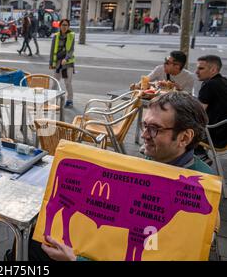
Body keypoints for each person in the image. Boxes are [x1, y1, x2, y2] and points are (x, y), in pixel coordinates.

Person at [37, 91, 215, 260]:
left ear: (184, 138)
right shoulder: (152, 160)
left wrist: (76, 260)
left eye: (154, 129)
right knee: (35, 236)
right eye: (145, 125)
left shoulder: (201, 191)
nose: (144, 135)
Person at [195, 55, 227, 151]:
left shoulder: (209, 85)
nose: (196, 72)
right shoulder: (223, 81)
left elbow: (197, 113)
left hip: (215, 138)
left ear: (213, 70)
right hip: (224, 135)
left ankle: (199, 156)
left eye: (201, 68)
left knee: (178, 128)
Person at [49, 19, 75, 107]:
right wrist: (51, 63)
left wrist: (66, 58)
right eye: (63, 25)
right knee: (55, 82)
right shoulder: (55, 36)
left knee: (68, 83)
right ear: (60, 26)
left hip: (68, 63)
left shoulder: (71, 36)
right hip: (58, 63)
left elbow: (71, 50)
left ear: (68, 26)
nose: (64, 27)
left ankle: (69, 100)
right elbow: (52, 50)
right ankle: (52, 100)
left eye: (66, 25)